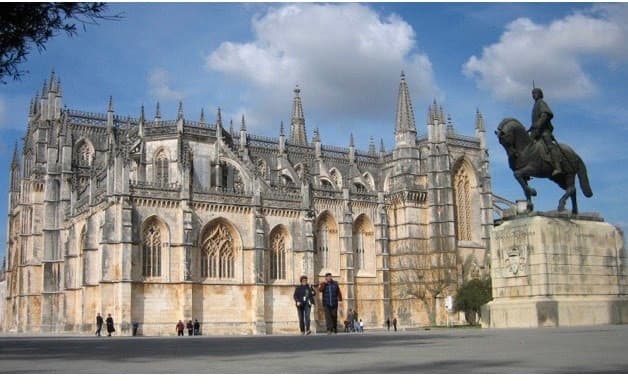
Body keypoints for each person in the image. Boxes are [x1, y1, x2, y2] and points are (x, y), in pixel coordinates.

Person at [529, 87, 562, 176]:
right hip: (536, 132)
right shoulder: (535, 105)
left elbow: (545, 115)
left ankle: (557, 166)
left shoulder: (541, 103)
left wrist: (538, 124)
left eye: (535, 93)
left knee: (550, 146)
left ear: (540, 94)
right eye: (532, 94)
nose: (533, 95)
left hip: (544, 130)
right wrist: (532, 127)